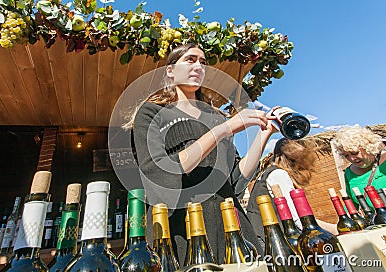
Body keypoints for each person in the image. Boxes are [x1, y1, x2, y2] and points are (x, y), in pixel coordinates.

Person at [128, 43, 278, 265]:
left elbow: (236, 179)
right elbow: (159, 170)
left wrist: (264, 135)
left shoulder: (215, 116)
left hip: (229, 221)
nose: (198, 65)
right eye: (190, 59)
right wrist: (223, 130)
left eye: (203, 62)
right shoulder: (151, 113)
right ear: (170, 71)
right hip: (183, 225)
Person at [247, 137, 338, 253]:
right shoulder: (278, 174)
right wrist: (334, 229)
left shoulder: (265, 174)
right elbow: (299, 220)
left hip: (262, 240)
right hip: (275, 246)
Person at [333, 126, 386, 208]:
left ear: (367, 146)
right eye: (346, 155)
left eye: (354, 152)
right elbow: (351, 204)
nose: (352, 158)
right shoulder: (349, 173)